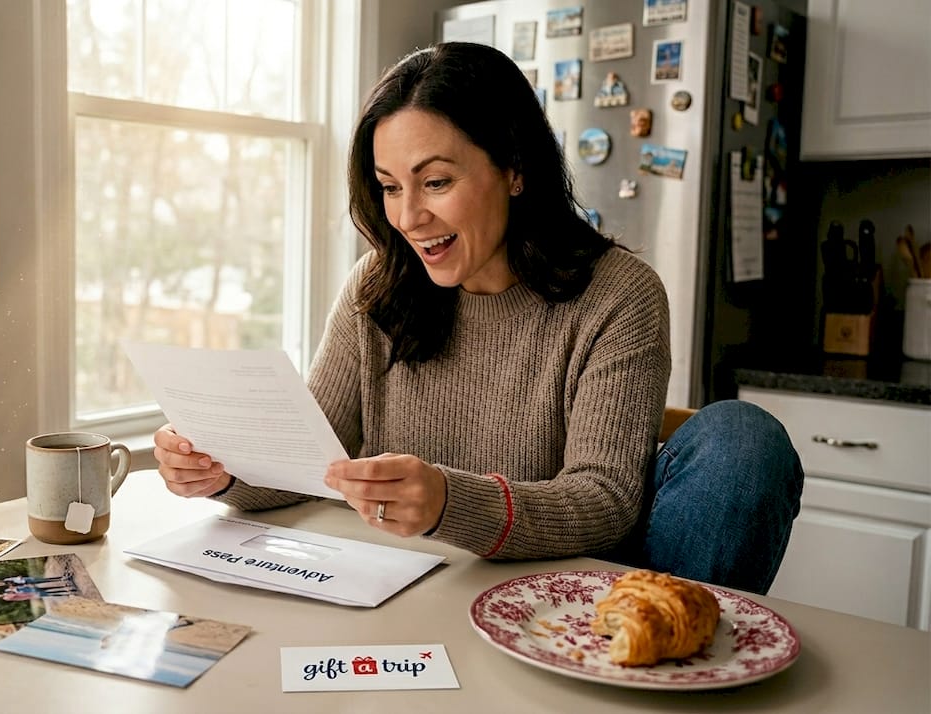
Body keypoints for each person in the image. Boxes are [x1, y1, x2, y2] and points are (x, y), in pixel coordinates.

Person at [151, 42, 802, 596]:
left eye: (435, 182)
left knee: (745, 439)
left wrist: (448, 502)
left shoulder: (619, 295)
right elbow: (312, 459)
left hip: (570, 602)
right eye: (389, 185)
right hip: (416, 592)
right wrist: (226, 469)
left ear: (514, 168)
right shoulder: (376, 286)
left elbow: (605, 502)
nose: (407, 217)